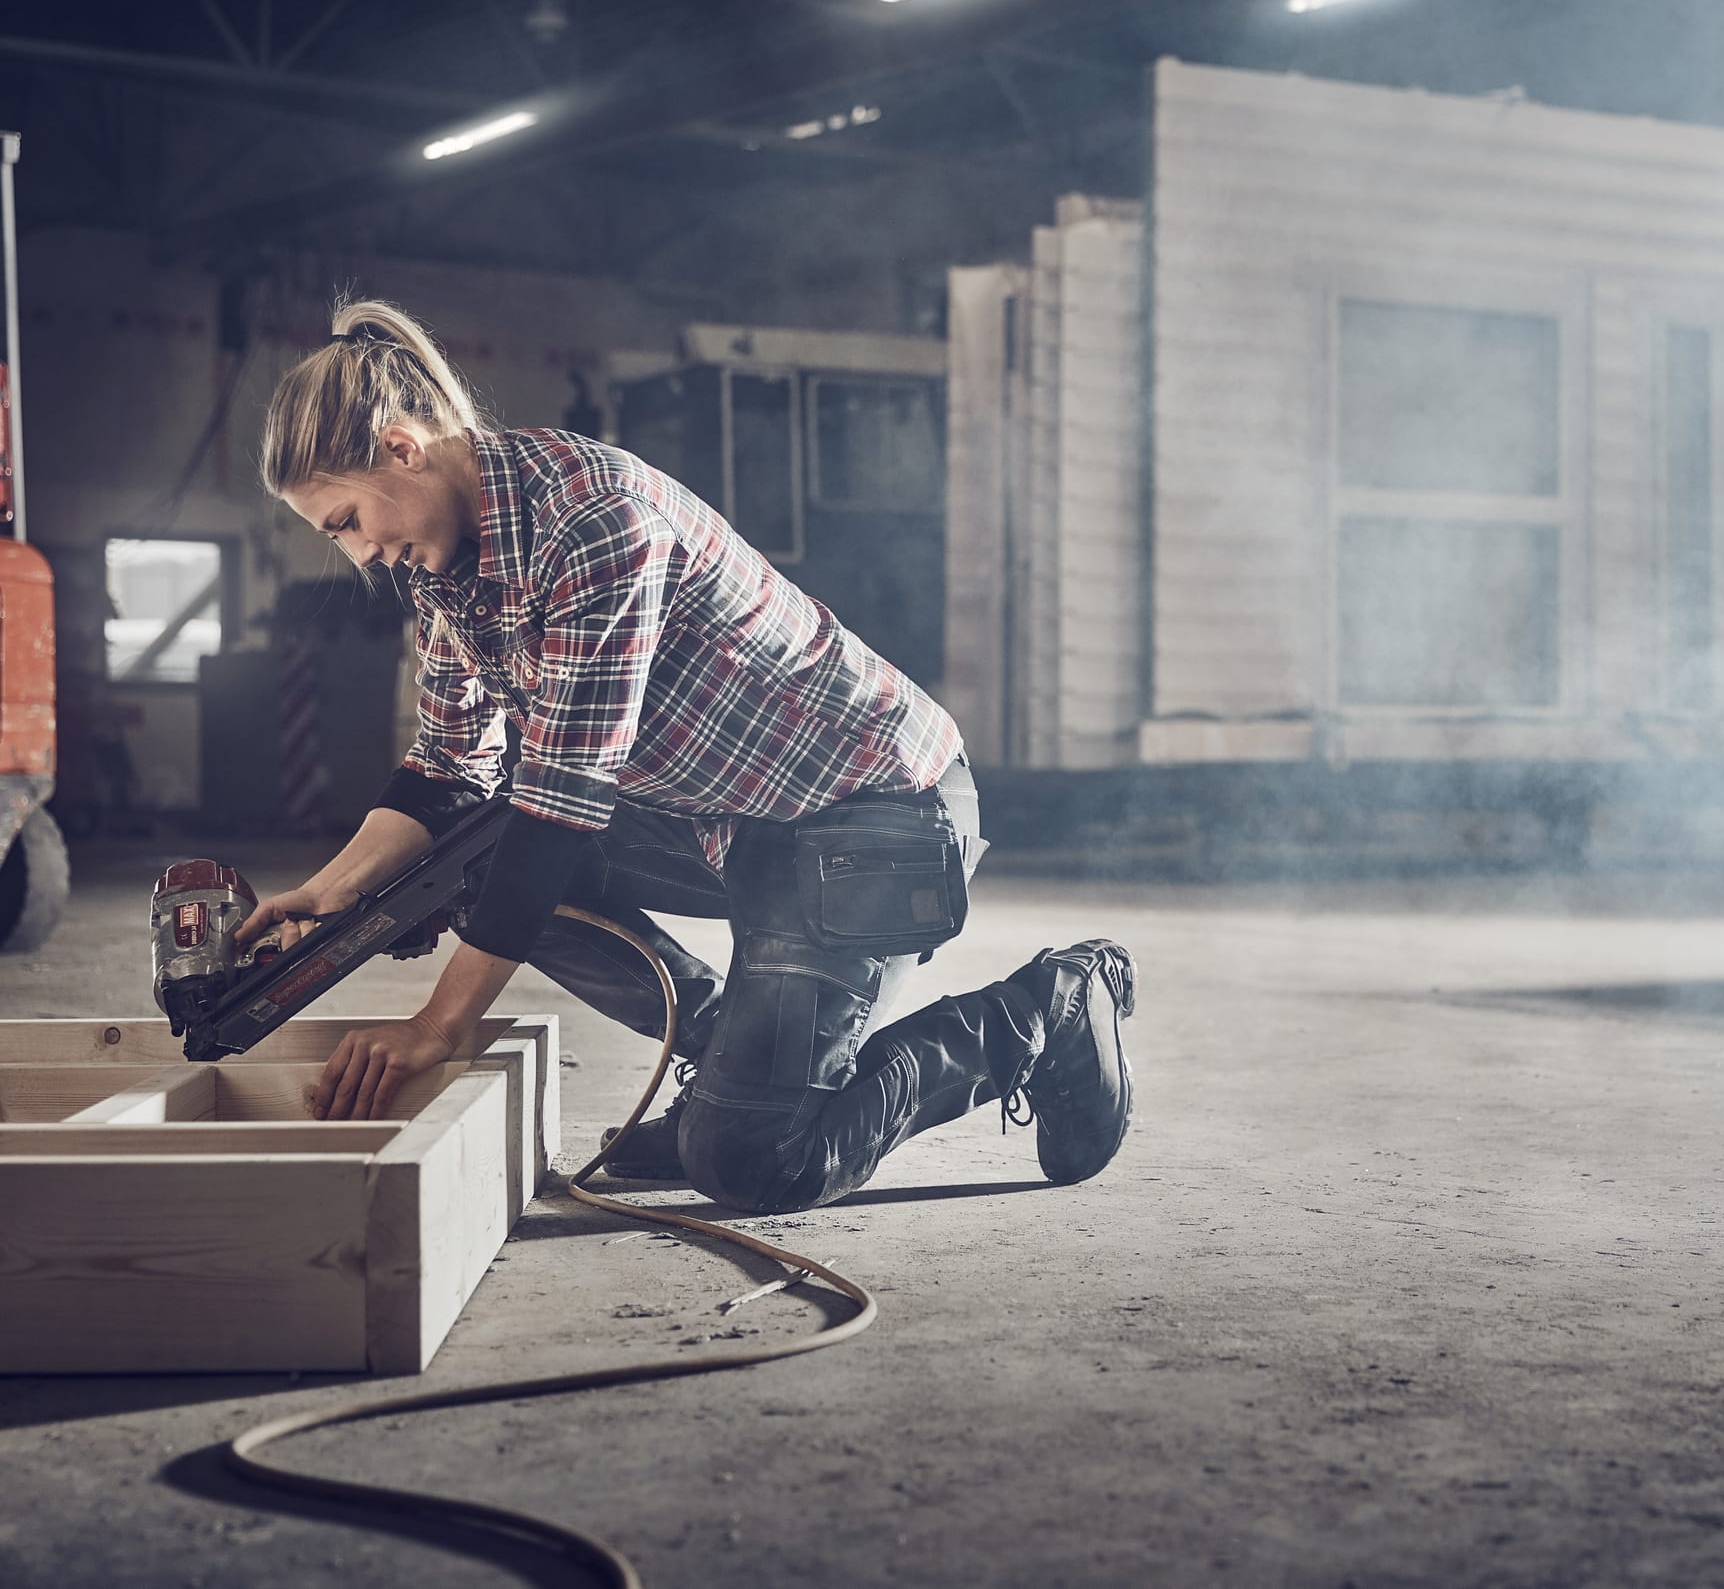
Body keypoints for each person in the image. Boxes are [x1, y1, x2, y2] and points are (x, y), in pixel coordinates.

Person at [234, 301, 1134, 1214]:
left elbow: (558, 809)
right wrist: (336, 888)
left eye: (345, 521)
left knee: (754, 1160)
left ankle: (1045, 1010)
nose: (364, 554)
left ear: (401, 448)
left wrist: (438, 1024)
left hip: (875, 817)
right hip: (735, 822)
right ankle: (731, 1068)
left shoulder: (591, 519)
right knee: (463, 865)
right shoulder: (443, 571)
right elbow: (449, 766)